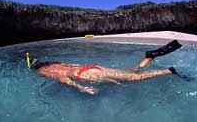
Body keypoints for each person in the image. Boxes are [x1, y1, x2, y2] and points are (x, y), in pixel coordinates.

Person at [27, 40, 184, 95]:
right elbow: (71, 68)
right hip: (92, 68)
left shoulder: (44, 71)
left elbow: (64, 79)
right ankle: (149, 57)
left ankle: (169, 70)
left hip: (89, 75)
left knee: (135, 78)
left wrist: (82, 89)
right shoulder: (55, 63)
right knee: (129, 73)